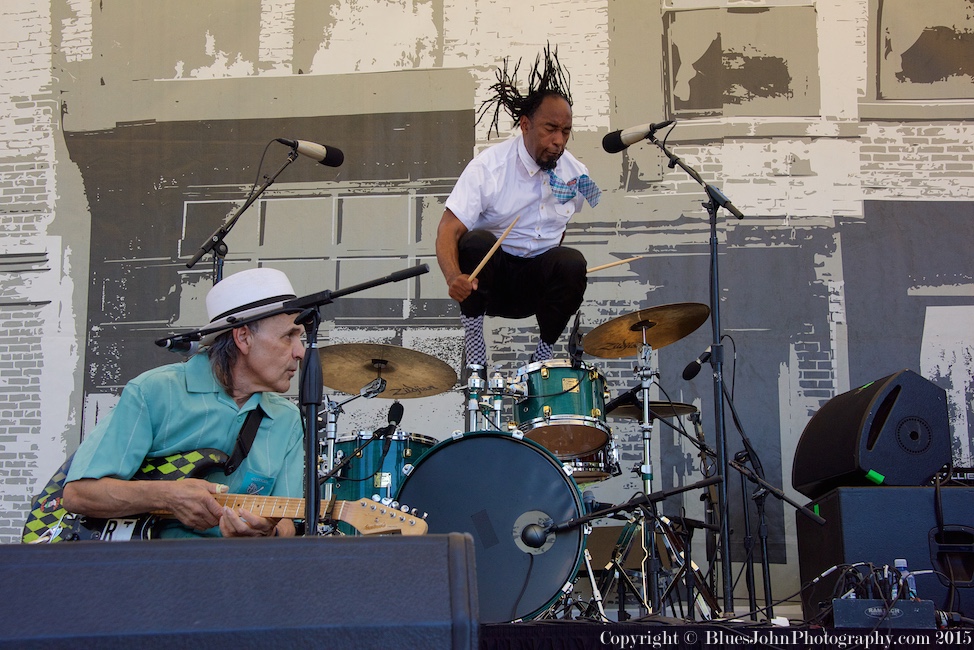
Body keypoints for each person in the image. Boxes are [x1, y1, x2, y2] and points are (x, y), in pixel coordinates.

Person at [62, 267, 306, 538]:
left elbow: (287, 518)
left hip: (232, 572)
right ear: (243, 337)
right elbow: (78, 494)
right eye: (289, 337)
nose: (300, 352)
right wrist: (167, 496)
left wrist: (267, 533)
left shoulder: (287, 418)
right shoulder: (153, 391)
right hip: (142, 570)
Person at [436, 46, 600, 373]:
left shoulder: (575, 172)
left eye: (565, 131)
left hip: (535, 286)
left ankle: (541, 352)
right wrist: (454, 276)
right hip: (491, 281)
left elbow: (568, 219)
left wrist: (550, 255)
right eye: (549, 129)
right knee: (475, 242)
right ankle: (475, 346)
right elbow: (447, 230)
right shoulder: (489, 167)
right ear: (525, 124)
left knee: (572, 263)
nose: (558, 140)